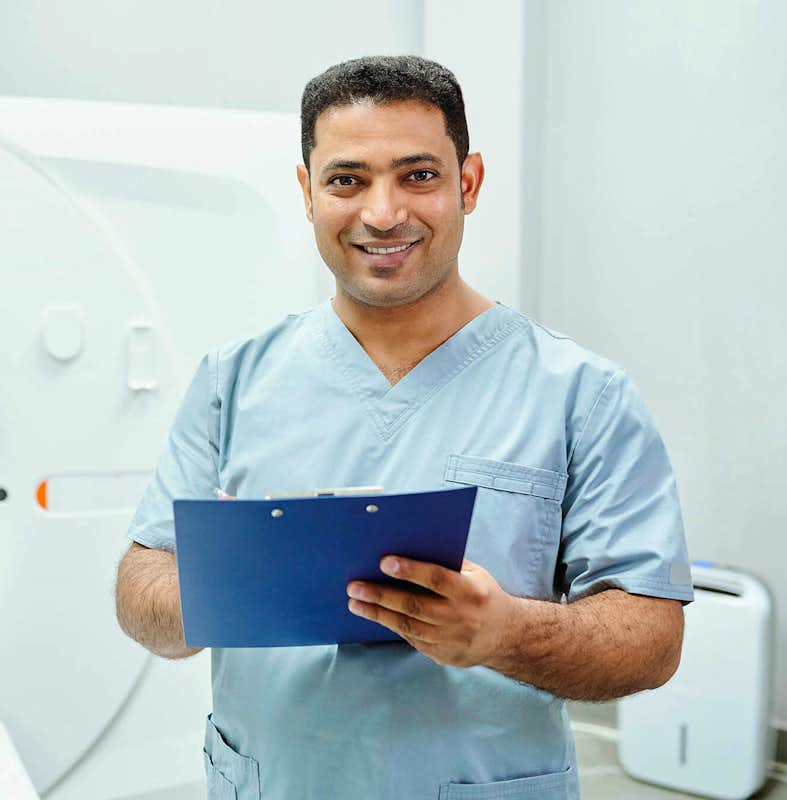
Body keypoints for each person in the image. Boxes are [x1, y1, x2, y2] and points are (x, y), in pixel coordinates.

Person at [116, 55, 694, 800]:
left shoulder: (583, 395)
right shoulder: (234, 380)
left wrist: (506, 634)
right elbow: (141, 584)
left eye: (418, 175)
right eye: (347, 179)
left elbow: (652, 641)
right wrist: (223, 582)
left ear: (469, 183)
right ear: (307, 191)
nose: (383, 213)